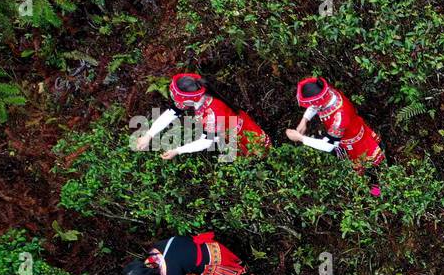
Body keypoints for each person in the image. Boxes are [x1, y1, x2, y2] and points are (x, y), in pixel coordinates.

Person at [132, 73, 270, 159]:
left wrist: (177, 151)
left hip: (247, 137)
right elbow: (171, 113)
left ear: (187, 100)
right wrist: (148, 135)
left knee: (259, 161)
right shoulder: (199, 97)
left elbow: (206, 141)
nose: (176, 103)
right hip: (231, 133)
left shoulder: (212, 112)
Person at [285, 77, 386, 194]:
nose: (310, 106)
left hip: (357, 145)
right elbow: (315, 106)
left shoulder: (339, 118)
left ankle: (377, 193)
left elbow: (328, 146)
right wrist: (304, 120)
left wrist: (301, 138)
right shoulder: (329, 93)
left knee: (372, 172)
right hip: (349, 135)